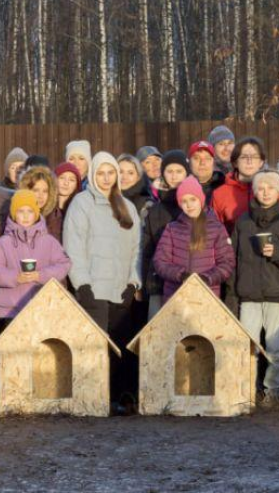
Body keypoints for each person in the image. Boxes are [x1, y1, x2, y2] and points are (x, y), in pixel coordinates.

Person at [64, 152, 142, 409]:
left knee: (119, 347)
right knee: (94, 348)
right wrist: (82, 283)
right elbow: (73, 245)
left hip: (120, 289)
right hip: (93, 288)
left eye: (111, 173)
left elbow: (136, 249)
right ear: (93, 175)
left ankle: (118, 397)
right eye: (100, 173)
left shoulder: (127, 207)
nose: (106, 178)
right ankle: (91, 399)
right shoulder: (82, 203)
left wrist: (133, 282)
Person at [229, 171, 279, 400]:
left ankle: (274, 392)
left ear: (278, 191)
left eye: (270, 188)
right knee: (247, 346)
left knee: (276, 349)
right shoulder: (243, 222)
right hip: (249, 296)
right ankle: (245, 390)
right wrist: (233, 291)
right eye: (261, 188)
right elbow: (232, 259)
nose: (265, 192)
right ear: (254, 191)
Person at [0, 189, 71, 327]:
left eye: (30, 211)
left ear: (36, 213)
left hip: (42, 308)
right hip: (10, 310)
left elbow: (64, 264)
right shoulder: (4, 242)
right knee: (12, 347)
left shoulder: (49, 241)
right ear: (13, 214)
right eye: (20, 211)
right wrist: (15, 277)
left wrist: (41, 275)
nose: (25, 216)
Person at [153, 176, 235, 303]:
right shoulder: (172, 229)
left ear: (200, 200)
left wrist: (207, 278)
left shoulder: (217, 228)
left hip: (206, 296)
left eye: (193, 199)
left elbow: (227, 262)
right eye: (184, 201)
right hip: (176, 296)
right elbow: (160, 261)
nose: (189, 205)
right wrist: (180, 275)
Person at [142, 150, 191, 318]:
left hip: (188, 280)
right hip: (159, 282)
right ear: (163, 174)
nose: (174, 176)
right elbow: (147, 249)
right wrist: (145, 282)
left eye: (179, 171)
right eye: (170, 171)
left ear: (187, 174)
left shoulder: (194, 206)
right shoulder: (155, 211)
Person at [213, 137, 279, 232]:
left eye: (254, 156)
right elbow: (215, 231)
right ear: (235, 162)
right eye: (244, 157)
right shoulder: (220, 194)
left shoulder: (277, 190)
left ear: (261, 162)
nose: (249, 161)